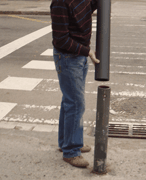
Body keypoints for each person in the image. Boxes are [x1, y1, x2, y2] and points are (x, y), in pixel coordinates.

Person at [50, 0, 100, 168]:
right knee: (75, 103)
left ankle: (68, 142)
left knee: (70, 101)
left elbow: (91, 6)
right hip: (67, 58)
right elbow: (60, 40)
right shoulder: (60, 3)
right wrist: (87, 51)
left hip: (79, 56)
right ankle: (71, 151)